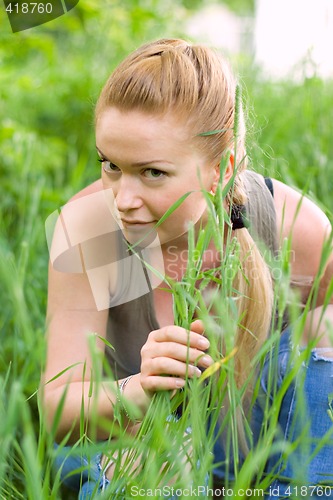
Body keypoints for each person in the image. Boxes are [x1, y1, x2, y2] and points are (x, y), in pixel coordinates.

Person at [42, 38, 333, 499]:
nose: (123, 199)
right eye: (110, 165)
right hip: (139, 441)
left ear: (223, 168)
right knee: (147, 455)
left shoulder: (298, 228)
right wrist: (139, 389)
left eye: (152, 172)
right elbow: (58, 410)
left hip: (261, 438)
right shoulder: (87, 233)